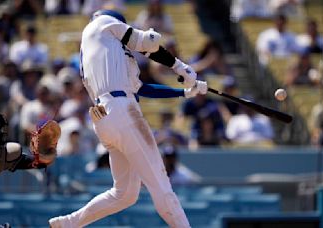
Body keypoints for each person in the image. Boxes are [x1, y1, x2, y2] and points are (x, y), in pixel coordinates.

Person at [49, 10, 207, 228]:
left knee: (124, 194)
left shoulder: (105, 53)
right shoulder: (103, 23)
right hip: (121, 111)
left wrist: (184, 92)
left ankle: (68, 223)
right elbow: (149, 41)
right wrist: (180, 67)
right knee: (161, 185)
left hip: (106, 116)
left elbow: (141, 89)